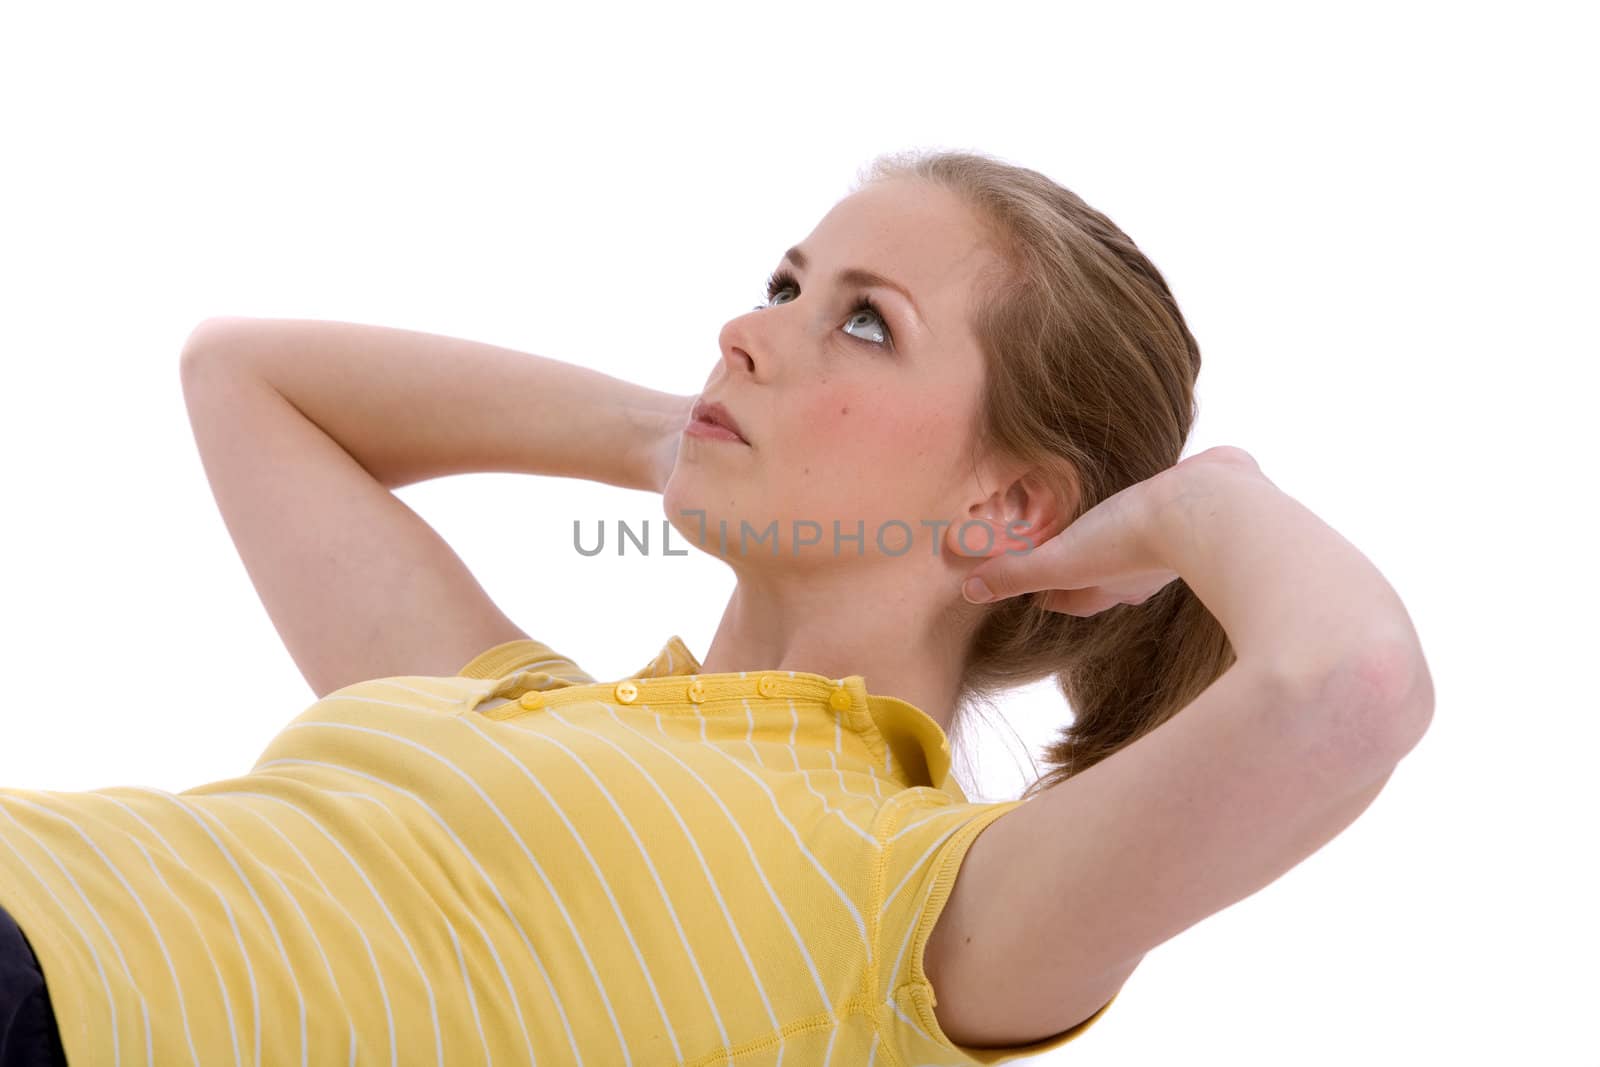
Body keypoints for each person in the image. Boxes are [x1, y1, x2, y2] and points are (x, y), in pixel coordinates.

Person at [0, 148, 1432, 1065]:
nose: (745, 331)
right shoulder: (513, 698)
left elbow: (1348, 687)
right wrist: (668, 436)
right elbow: (242, 375)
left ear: (1011, 504)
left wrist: (1201, 505)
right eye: (784, 284)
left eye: (863, 320)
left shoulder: (924, 902)